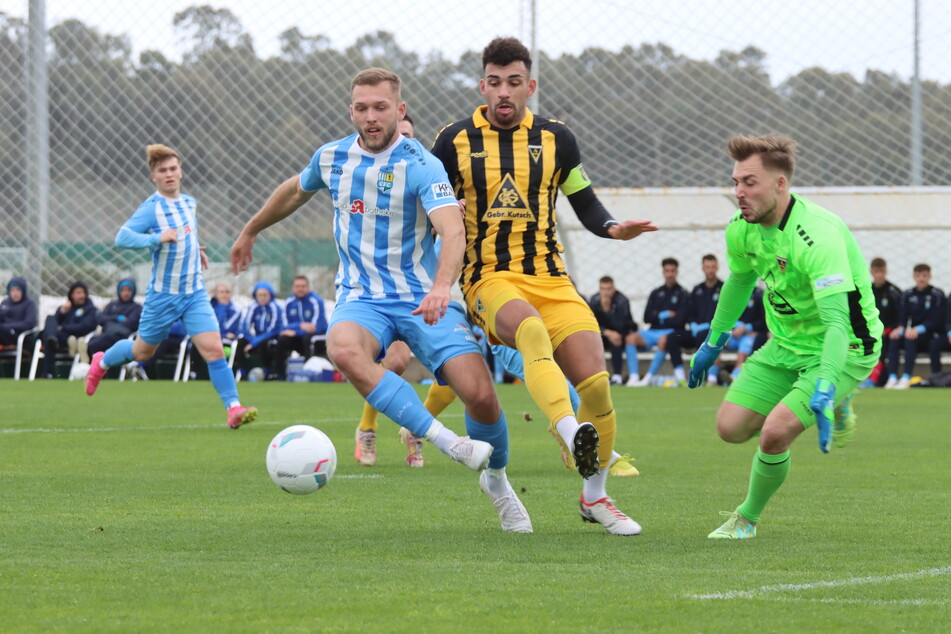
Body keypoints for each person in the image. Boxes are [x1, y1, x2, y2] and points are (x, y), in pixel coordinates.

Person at [231, 68, 531, 533]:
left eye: (380, 107)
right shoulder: (331, 158)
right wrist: (251, 230)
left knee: (481, 396)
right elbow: (294, 190)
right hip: (361, 298)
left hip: (420, 296)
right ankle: (447, 441)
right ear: (351, 110)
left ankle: (497, 482)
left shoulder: (421, 163)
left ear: (400, 110)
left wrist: (439, 287)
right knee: (343, 348)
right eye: (361, 108)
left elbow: (453, 229)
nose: (371, 117)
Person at [431, 37, 657, 535]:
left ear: (529, 86)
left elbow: (587, 204)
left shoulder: (558, 139)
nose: (504, 92)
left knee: (597, 384)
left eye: (514, 82)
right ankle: (569, 430)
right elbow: (427, 214)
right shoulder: (453, 141)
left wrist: (616, 229)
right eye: (495, 82)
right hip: (488, 277)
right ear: (482, 85)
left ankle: (595, 498)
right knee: (529, 331)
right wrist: (444, 219)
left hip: (552, 279)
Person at [688, 133, 882, 539]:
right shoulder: (742, 229)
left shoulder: (818, 236)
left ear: (780, 184)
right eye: (736, 182)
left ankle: (746, 519)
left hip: (844, 347)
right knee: (730, 428)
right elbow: (739, 283)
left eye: (750, 182)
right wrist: (714, 341)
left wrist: (828, 383)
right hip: (784, 345)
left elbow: (837, 324)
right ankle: (833, 397)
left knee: (775, 433)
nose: (739, 192)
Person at [84, 144, 257, 429]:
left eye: (173, 169)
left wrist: (195, 249)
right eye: (162, 171)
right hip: (163, 297)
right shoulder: (152, 209)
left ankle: (233, 408)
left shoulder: (189, 202)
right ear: (153, 176)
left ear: (181, 171)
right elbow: (122, 237)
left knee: (214, 349)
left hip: (194, 293)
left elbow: (186, 233)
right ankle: (101, 362)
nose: (169, 174)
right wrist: (156, 238)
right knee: (142, 353)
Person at [353, 109, 427, 469]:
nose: (405, 142)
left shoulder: (427, 174)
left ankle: (414, 428)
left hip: (432, 288)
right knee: (396, 361)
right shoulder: (377, 183)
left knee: (460, 370)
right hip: (391, 291)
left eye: (410, 137)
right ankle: (369, 428)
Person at [884, 263, 945, 389]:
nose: (921, 279)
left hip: (930, 334)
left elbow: (937, 320)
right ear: (914, 276)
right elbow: (903, 318)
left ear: (929, 276)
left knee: (910, 339)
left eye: (924, 275)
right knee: (894, 338)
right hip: (913, 334)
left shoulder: (937, 294)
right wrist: (900, 328)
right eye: (918, 275)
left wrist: (919, 329)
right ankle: (892, 377)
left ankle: (906, 377)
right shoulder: (908, 294)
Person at [634, 258, 689, 387]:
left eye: (672, 271)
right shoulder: (656, 293)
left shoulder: (683, 293)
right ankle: (633, 377)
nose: (669, 274)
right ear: (663, 272)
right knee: (631, 338)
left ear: (677, 272)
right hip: (653, 332)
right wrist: (665, 314)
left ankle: (647, 378)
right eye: (667, 271)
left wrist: (657, 315)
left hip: (671, 332)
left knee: (665, 339)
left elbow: (680, 320)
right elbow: (647, 317)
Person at [588, 275, 644, 386]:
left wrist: (607, 308)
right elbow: (590, 321)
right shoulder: (594, 300)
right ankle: (592, 375)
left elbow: (620, 325)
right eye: (602, 289)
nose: (605, 292)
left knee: (616, 339)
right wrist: (607, 332)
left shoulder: (621, 300)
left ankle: (617, 375)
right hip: (603, 333)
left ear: (613, 288)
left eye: (608, 289)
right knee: (591, 341)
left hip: (621, 333)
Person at [40, 281, 98, 378]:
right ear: (72, 295)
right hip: (60, 337)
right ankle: (51, 338)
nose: (82, 295)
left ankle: (48, 373)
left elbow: (86, 326)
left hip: (79, 337)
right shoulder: (67, 308)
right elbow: (55, 321)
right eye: (78, 293)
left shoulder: (90, 309)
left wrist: (64, 328)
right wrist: (61, 312)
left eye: (83, 293)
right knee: (50, 319)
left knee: (48, 337)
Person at [274, 276, 328, 381]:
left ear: (308, 287)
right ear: (293, 288)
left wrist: (295, 332)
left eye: (303, 286)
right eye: (297, 286)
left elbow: (316, 327)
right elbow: (284, 326)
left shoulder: (316, 301)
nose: (300, 289)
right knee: (282, 340)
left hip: (317, 338)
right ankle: (278, 375)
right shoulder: (289, 302)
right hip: (299, 337)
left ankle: (307, 373)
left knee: (307, 337)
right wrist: (300, 325)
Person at [683, 254, 723, 385]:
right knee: (672, 338)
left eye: (713, 267)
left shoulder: (724, 288)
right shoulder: (697, 289)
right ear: (703, 268)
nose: (710, 270)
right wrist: (692, 324)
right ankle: (679, 375)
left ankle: (710, 378)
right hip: (698, 331)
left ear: (717, 268)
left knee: (712, 339)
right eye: (707, 267)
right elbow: (690, 312)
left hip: (717, 330)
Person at [235, 281, 285, 380]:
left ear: (270, 295)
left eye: (265, 295)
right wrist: (252, 339)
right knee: (241, 342)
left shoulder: (275, 308)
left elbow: (272, 330)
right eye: (260, 295)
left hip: (271, 337)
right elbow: (246, 327)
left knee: (264, 343)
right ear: (255, 296)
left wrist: (254, 343)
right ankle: (242, 372)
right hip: (257, 338)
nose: (262, 298)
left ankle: (268, 371)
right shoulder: (253, 307)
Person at [863, 257, 901, 387]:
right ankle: (861, 377)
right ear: (871, 272)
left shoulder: (894, 291)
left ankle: (873, 379)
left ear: (886, 271)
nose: (879, 274)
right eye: (876, 271)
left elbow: (900, 316)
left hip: (888, 332)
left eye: (881, 271)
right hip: (871, 331)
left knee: (882, 345)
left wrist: (892, 328)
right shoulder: (867, 290)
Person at [83, 278, 142, 361]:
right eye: (123, 290)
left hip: (122, 338)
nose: (126, 293)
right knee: (94, 340)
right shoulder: (112, 305)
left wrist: (110, 321)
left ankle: (89, 359)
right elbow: (100, 319)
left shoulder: (137, 308)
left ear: (133, 291)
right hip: (107, 334)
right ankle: (87, 360)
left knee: (94, 344)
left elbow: (130, 323)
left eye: (129, 290)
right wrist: (117, 318)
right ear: (119, 291)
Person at [0, 276, 38, 347]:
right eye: (12, 290)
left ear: (23, 290)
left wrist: (7, 326)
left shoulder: (29, 304)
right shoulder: (5, 303)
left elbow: (29, 324)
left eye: (18, 290)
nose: (15, 293)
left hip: (18, 336)